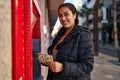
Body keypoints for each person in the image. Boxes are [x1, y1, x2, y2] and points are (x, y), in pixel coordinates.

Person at [46, 3, 94, 80]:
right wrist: (47, 60)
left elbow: (87, 66)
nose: (63, 18)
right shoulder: (60, 34)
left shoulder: (83, 35)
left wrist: (63, 67)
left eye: (66, 14)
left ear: (74, 15)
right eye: (60, 16)